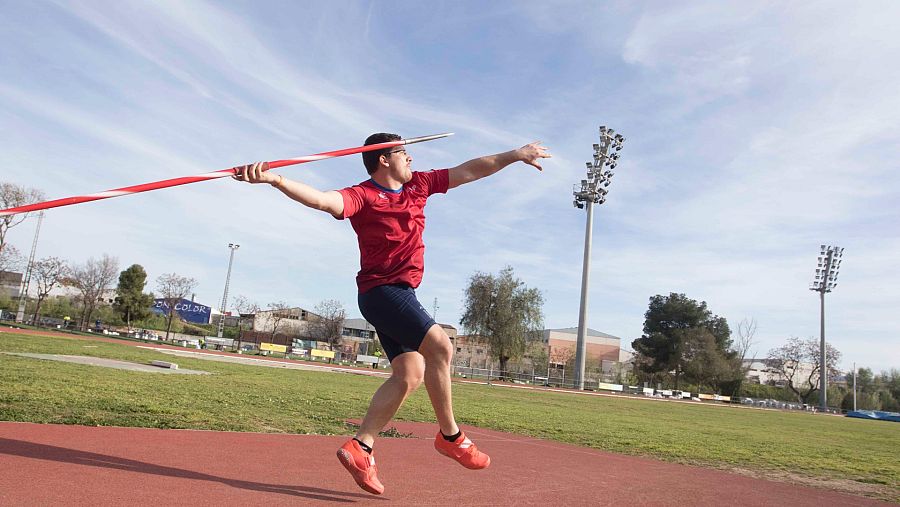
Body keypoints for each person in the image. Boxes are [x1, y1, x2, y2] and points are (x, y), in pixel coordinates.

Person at [233, 133, 550, 495]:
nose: (411, 159)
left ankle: (361, 447)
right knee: (442, 348)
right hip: (382, 292)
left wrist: (514, 155)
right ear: (383, 159)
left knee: (410, 373)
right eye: (404, 153)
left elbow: (470, 170)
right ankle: (451, 437)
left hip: (398, 294)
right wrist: (275, 179)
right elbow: (323, 200)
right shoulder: (362, 195)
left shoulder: (419, 185)